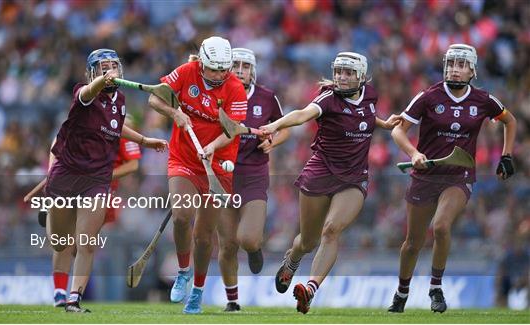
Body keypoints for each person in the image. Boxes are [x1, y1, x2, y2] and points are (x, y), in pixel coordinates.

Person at [260, 52, 401, 314]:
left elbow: (365, 116)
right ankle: (292, 260)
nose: (342, 77)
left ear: (360, 76)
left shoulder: (370, 95)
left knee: (331, 230)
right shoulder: (328, 99)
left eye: (348, 73)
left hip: (354, 178)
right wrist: (275, 126)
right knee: (308, 241)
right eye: (338, 72)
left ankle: (310, 289)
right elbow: (302, 114)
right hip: (320, 173)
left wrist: (384, 123)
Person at [388, 44, 517, 313]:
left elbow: (510, 121)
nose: (454, 71)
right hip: (425, 176)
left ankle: (435, 287)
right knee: (413, 242)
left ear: (472, 70)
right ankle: (402, 291)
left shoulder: (483, 100)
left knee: (442, 227)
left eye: (461, 66)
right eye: (451, 65)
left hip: (459, 176)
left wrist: (506, 156)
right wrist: (413, 153)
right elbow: (398, 132)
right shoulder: (428, 96)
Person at [45, 49, 167, 313]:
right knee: (59, 242)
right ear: (92, 72)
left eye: (113, 66)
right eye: (103, 67)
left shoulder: (120, 99)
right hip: (67, 173)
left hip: (97, 178)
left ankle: (73, 299)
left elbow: (115, 125)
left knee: (86, 242)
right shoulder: (83, 93)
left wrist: (144, 140)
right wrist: (102, 80)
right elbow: (89, 93)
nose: (109, 71)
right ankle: (59, 283)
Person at [148, 36, 247, 314]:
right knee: (181, 216)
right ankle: (183, 271)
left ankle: (198, 292)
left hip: (218, 165)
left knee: (204, 236)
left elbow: (234, 129)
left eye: (223, 69)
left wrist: (213, 147)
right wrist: (174, 113)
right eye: (213, 69)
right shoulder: (186, 72)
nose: (218, 75)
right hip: (184, 157)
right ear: (202, 63)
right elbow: (154, 98)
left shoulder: (235, 88)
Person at [216, 48, 290, 312]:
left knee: (247, 239)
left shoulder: (266, 97)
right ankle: (232, 300)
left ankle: (255, 248)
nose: (239, 70)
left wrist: (272, 140)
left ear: (253, 71)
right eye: (234, 65)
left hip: (254, 174)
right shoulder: (217, 94)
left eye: (244, 66)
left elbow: (283, 128)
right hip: (222, 176)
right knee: (226, 244)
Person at [46, 116, 142, 307]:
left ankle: (73, 294)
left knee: (80, 245)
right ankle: (60, 295)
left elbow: (133, 164)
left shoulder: (124, 127)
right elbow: (56, 144)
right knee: (65, 242)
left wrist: (99, 176)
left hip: (100, 193)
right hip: (71, 186)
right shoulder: (80, 121)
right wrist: (52, 174)